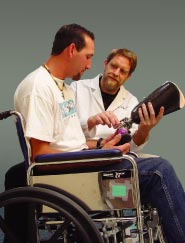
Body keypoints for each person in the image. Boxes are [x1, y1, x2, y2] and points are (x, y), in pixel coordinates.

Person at [4, 28, 185, 243]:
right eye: (88, 56)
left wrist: (101, 147)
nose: (89, 64)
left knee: (153, 165)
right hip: (70, 178)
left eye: (123, 70)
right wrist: (103, 154)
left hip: (82, 167)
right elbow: (40, 156)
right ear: (72, 50)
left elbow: (68, 142)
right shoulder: (39, 87)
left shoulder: (63, 89)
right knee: (159, 172)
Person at [70, 48, 164, 153]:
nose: (116, 73)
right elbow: (64, 132)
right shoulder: (77, 89)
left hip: (115, 159)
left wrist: (144, 130)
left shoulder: (131, 102)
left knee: (160, 164)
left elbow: (132, 146)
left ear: (128, 76)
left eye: (123, 71)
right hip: (79, 156)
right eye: (114, 66)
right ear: (105, 64)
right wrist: (91, 121)